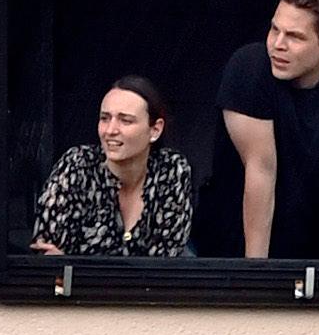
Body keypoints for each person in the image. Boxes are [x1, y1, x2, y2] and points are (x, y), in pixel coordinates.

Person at [219, 0, 319, 268]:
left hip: (305, 255)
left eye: (295, 37)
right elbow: (261, 170)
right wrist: (256, 275)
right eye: (275, 30)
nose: (278, 44)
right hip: (226, 255)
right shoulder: (250, 67)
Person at [29, 70, 196, 261]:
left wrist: (78, 270)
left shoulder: (171, 169)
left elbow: (165, 264)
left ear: (155, 130)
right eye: (104, 118)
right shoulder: (77, 165)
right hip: (77, 293)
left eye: (125, 120)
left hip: (147, 291)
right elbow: (47, 262)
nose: (110, 130)